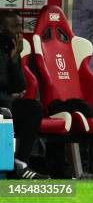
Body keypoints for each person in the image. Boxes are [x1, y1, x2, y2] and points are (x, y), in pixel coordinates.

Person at [0, 11, 49, 179]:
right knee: (5, 109)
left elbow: (19, 85)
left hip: (6, 103)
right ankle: (11, 165)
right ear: (1, 28)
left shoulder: (10, 48)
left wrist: (14, 61)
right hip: (3, 104)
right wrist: (8, 97)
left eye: (20, 26)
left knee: (32, 108)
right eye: (14, 26)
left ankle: (21, 163)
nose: (19, 31)